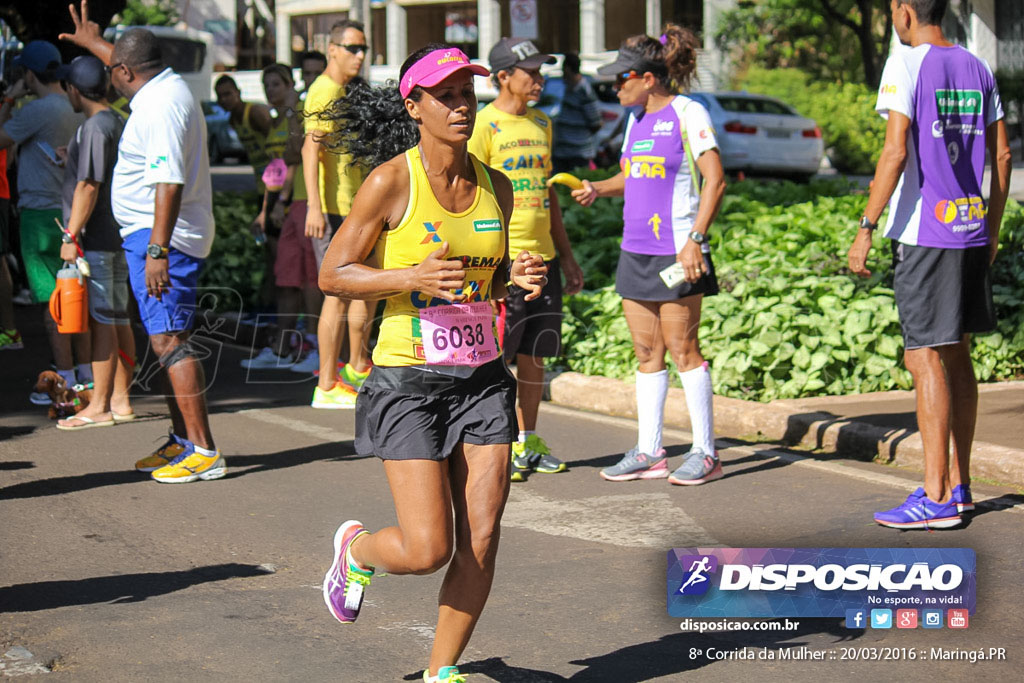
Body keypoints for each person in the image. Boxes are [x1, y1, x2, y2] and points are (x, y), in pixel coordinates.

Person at [316, 44, 546, 683]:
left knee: (482, 537)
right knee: (427, 549)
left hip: (480, 378)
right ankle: (356, 550)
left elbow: (487, 279)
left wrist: (513, 278)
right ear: (414, 105)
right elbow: (332, 273)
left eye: (467, 92)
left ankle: (441, 673)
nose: (461, 105)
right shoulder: (392, 180)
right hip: (407, 380)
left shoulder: (494, 185)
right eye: (445, 95)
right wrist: (408, 274)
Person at [847, 0, 1012, 530]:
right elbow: (1001, 157)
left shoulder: (906, 63)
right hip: (967, 228)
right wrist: (990, 227)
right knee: (956, 353)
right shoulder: (977, 67)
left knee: (922, 358)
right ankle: (959, 488)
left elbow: (894, 152)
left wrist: (866, 226)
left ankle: (936, 496)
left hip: (925, 234)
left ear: (904, 11)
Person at [61, 4, 224, 484]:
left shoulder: (159, 106)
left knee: (171, 340)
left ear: (126, 73)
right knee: (165, 339)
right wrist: (94, 43)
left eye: (113, 70)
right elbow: (126, 62)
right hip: (152, 239)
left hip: (164, 243)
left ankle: (204, 451)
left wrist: (157, 251)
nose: (110, 77)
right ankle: (183, 441)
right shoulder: (159, 86)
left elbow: (168, 182)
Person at [571, 25, 727, 486]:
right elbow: (631, 174)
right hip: (634, 251)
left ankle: (706, 452)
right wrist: (599, 188)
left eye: (622, 79)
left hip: (677, 251)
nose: (615, 87)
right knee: (646, 352)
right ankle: (649, 451)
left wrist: (696, 239)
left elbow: (715, 179)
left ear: (648, 78)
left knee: (684, 350)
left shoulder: (688, 112)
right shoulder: (634, 120)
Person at [468, 37, 583, 481]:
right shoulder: (483, 126)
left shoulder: (542, 123)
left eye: (540, 71)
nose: (538, 79)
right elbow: (474, 197)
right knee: (499, 359)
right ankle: (494, 443)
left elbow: (548, 195)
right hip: (508, 265)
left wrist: (567, 257)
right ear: (503, 77)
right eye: (530, 72)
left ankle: (527, 441)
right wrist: (490, 263)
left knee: (537, 356)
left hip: (546, 260)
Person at [0, 40, 88, 395]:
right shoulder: (75, 104)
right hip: (73, 211)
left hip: (39, 214)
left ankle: (63, 376)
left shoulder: (38, 110)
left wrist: (9, 98)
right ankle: (85, 372)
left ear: (29, 74)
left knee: (53, 300)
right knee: (78, 295)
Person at [55, 55, 135, 430]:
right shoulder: (117, 120)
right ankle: (120, 400)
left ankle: (100, 405)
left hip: (99, 238)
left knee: (103, 320)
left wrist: (70, 235)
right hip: (119, 233)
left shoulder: (94, 128)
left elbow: (89, 185)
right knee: (118, 319)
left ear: (73, 89)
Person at [302, 19, 375, 406]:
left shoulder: (346, 91)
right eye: (352, 48)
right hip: (331, 211)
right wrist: (313, 207)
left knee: (364, 289)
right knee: (337, 294)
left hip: (352, 208)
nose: (359, 56)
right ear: (332, 49)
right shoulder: (324, 91)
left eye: (363, 48)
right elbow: (309, 150)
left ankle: (355, 367)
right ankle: (326, 385)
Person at [242, 63, 323, 369]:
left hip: (302, 202)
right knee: (286, 279)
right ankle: (283, 346)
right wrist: (266, 209)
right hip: (282, 207)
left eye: (276, 84)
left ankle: (313, 345)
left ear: (290, 85)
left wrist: (284, 199)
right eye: (267, 85)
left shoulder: (302, 113)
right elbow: (275, 169)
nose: (270, 91)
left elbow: (293, 158)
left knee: (310, 281)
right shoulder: (277, 121)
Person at [214, 75, 273, 187]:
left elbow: (275, 143)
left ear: (238, 93)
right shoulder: (233, 120)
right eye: (219, 96)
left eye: (227, 94)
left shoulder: (254, 113)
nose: (223, 100)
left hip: (275, 177)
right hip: (260, 179)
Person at [552, 52, 602, 173]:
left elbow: (596, 122)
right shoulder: (568, 88)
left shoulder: (585, 91)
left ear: (568, 69)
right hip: (562, 151)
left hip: (579, 153)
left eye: (564, 69)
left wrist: (580, 136)